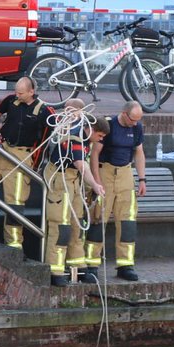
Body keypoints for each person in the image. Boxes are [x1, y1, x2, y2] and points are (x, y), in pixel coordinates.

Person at [0, 76, 52, 249]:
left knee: (15, 202)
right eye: (16, 91)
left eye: (21, 93)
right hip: (0, 151)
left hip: (22, 156)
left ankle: (13, 243)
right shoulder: (10, 101)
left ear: (31, 92)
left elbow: (46, 141)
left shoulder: (45, 111)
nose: (17, 95)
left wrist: (35, 166)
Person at [44, 99, 108, 286]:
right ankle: (55, 270)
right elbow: (82, 166)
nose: (101, 140)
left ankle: (77, 266)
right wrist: (96, 186)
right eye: (100, 136)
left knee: (77, 224)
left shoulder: (83, 136)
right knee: (61, 226)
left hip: (74, 181)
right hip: (61, 180)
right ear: (92, 130)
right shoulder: (74, 138)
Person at [85, 101, 147, 282]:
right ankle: (91, 263)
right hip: (106, 171)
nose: (135, 123)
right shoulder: (109, 125)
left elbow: (139, 152)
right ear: (124, 113)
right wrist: (96, 181)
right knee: (98, 217)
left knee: (127, 220)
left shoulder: (137, 128)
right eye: (133, 119)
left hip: (125, 173)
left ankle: (125, 264)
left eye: (138, 120)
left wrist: (142, 179)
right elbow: (95, 154)